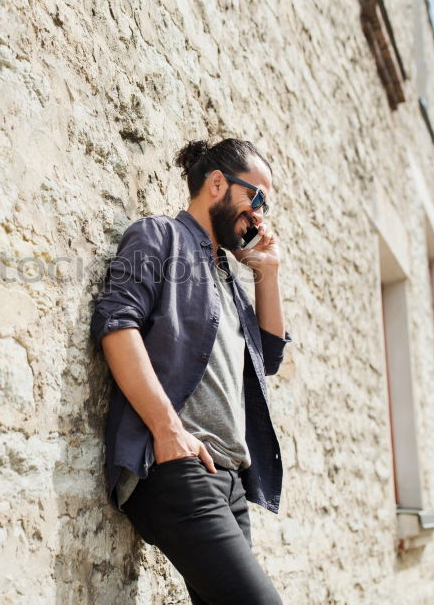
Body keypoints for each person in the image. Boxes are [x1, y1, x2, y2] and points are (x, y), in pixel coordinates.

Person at [91, 138, 291, 604]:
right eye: (255, 198)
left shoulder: (228, 278)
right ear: (217, 183)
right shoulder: (158, 236)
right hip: (175, 467)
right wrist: (167, 432)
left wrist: (267, 273)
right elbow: (117, 327)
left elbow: (270, 358)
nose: (260, 216)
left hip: (230, 481)